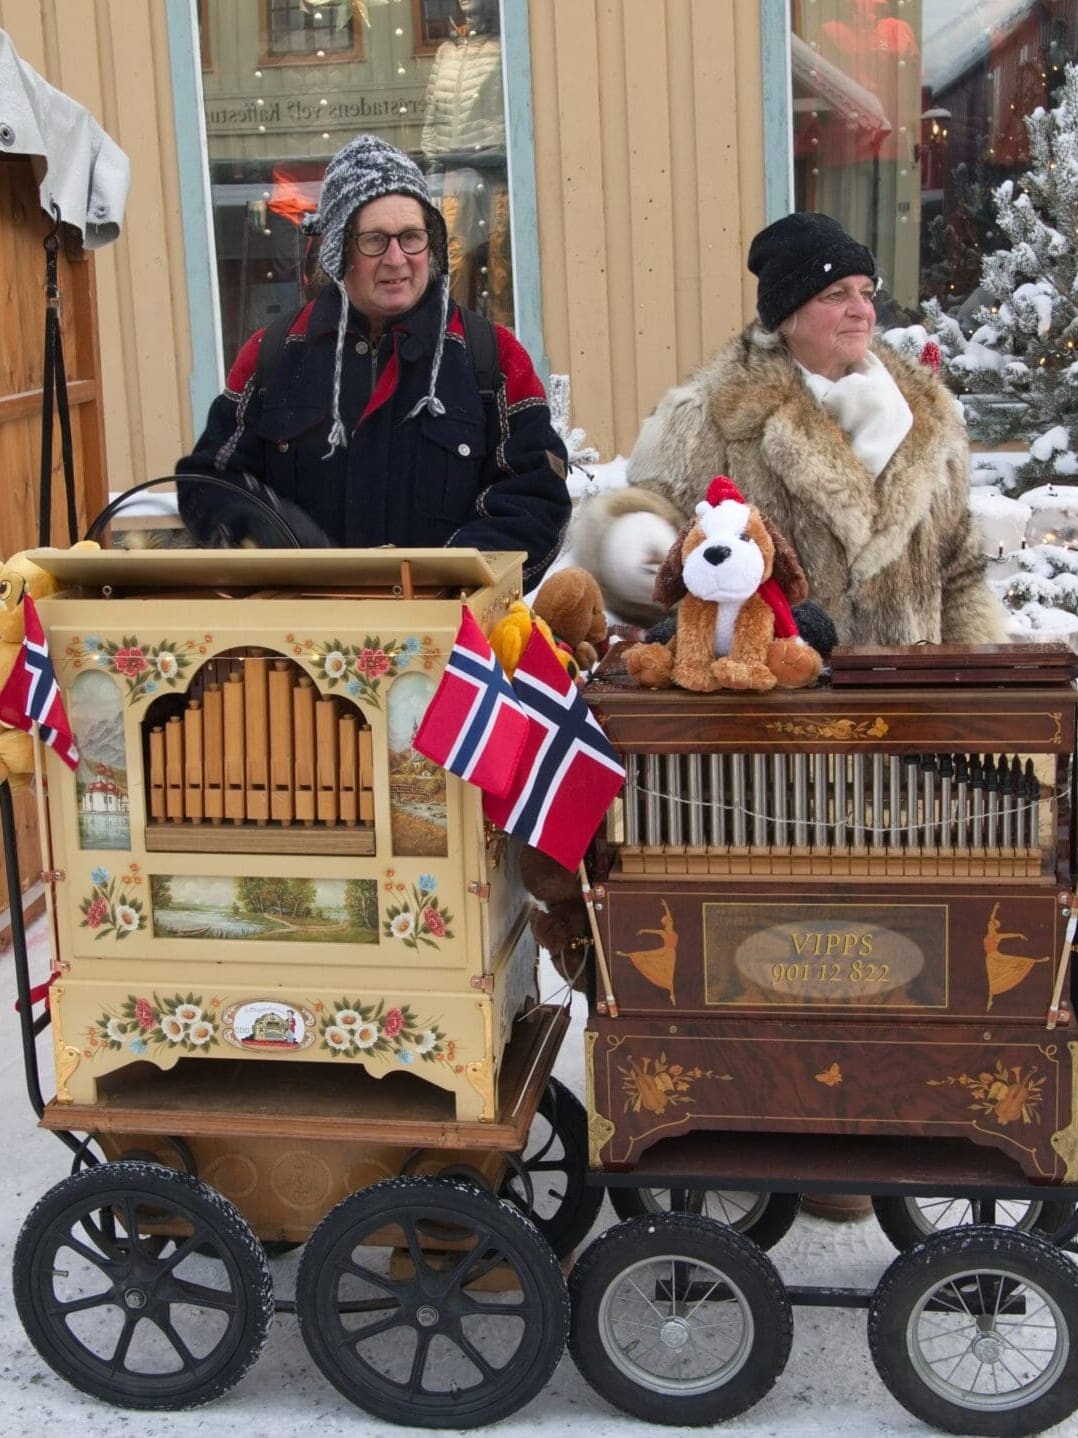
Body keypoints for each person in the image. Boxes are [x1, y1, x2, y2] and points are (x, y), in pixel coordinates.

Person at [576, 210, 1009, 647]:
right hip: (771, 700)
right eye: (835, 295)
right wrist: (628, 538)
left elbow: (960, 572)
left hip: (907, 698)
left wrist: (978, 678)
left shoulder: (929, 419)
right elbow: (663, 529)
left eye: (866, 292)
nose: (861, 310)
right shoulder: (711, 415)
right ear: (786, 316)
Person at [176, 134, 570, 589]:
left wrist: (446, 583)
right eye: (375, 240)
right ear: (340, 250)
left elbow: (536, 499)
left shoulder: (494, 357)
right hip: (303, 637)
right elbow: (210, 480)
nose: (397, 259)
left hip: (452, 643)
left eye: (412, 237)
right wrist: (272, 534)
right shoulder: (274, 354)